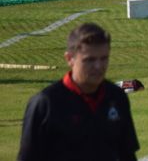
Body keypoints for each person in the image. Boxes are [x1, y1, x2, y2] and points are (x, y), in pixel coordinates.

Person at [17, 22, 139, 160]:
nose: (98, 66)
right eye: (90, 60)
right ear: (70, 59)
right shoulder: (46, 103)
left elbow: (127, 154)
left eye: (104, 58)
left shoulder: (117, 97)